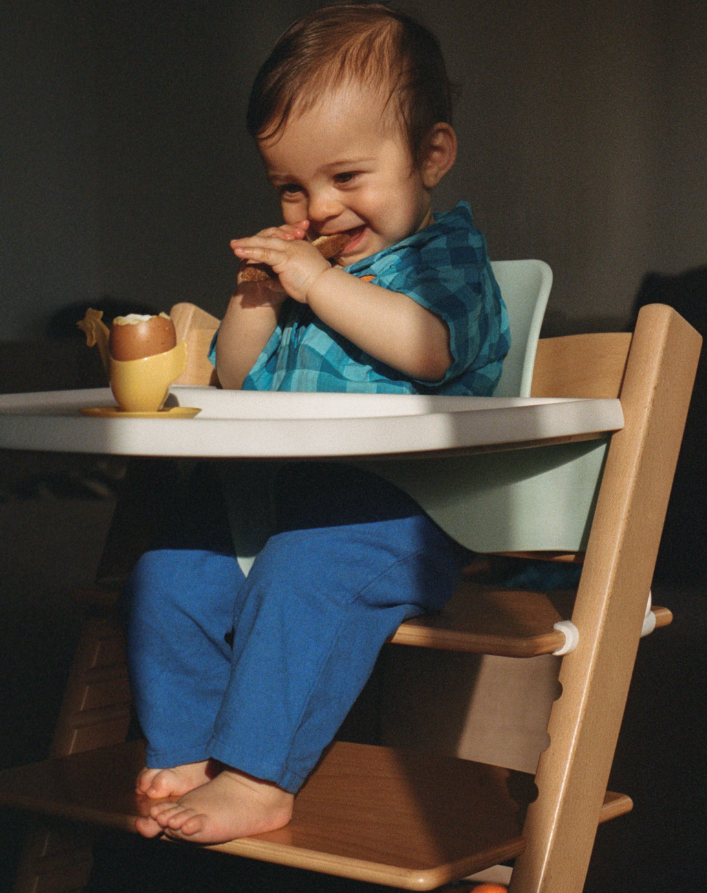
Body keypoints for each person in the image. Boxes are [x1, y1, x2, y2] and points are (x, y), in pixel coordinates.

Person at [126, 1, 510, 845]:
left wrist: (317, 284)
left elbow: (428, 349)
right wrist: (256, 300)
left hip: (403, 512)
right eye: (291, 187)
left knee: (302, 573)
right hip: (277, 499)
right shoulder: (309, 278)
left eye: (346, 177)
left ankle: (258, 778)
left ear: (431, 155)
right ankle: (185, 748)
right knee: (170, 568)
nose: (321, 207)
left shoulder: (446, 260)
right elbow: (235, 378)